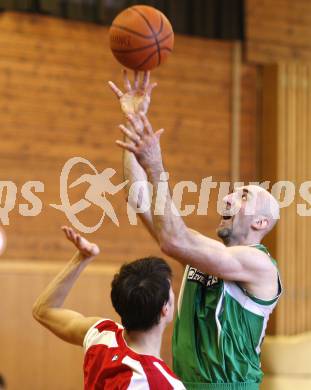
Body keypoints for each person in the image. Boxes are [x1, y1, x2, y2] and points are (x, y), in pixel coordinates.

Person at [110, 71, 282, 390]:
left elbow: (174, 239)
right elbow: (138, 198)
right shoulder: (201, 253)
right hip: (184, 384)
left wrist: (156, 166)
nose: (229, 197)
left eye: (244, 196)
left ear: (261, 222)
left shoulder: (261, 267)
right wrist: (135, 118)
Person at [32, 226, 185, 389]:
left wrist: (82, 257)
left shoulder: (103, 336)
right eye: (171, 290)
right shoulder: (166, 385)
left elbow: (43, 310)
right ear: (165, 309)